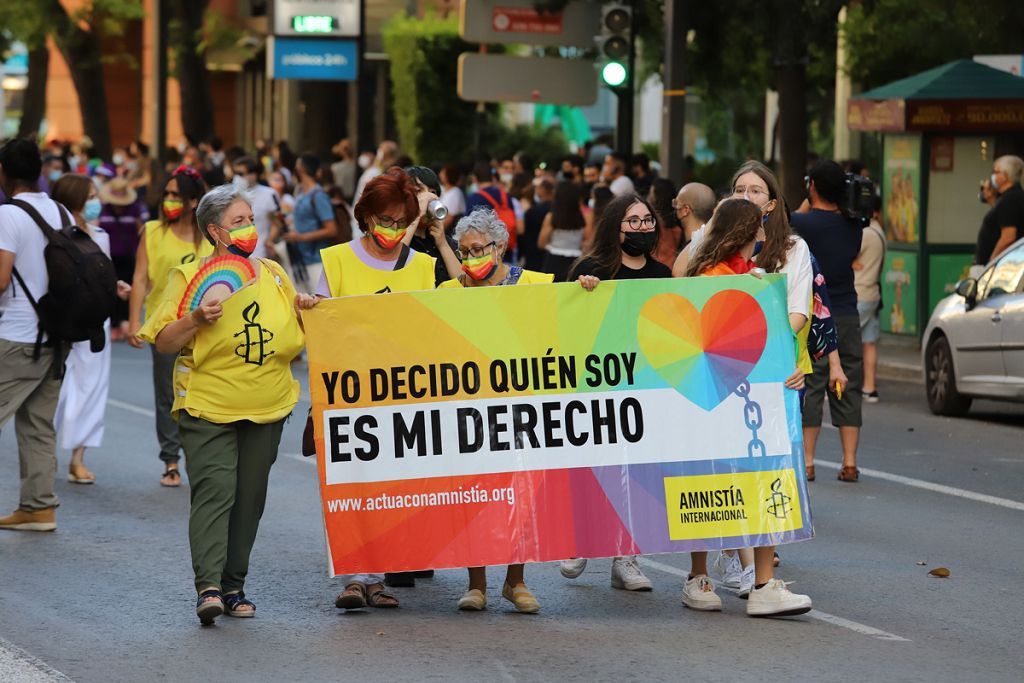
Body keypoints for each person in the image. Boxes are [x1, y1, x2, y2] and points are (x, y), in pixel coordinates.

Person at [137, 184, 315, 624]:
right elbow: (162, 341)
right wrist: (195, 319)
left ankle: (235, 586)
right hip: (208, 405)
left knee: (250, 498)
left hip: (269, 403)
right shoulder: (188, 276)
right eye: (239, 221)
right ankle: (209, 588)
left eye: (250, 218)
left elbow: (297, 323)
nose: (249, 227)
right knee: (217, 492)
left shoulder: (273, 271)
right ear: (215, 231)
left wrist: (308, 308)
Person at [679, 197, 813, 617]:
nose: (762, 234)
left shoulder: (759, 280)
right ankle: (698, 576)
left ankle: (762, 583)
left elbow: (775, 341)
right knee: (705, 476)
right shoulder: (706, 279)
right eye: (756, 227)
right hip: (713, 399)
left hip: (757, 398)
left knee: (764, 474)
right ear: (742, 232)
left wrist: (793, 369)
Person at [316, 167, 436, 612]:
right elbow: (323, 325)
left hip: (403, 395)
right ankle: (355, 576)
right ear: (365, 216)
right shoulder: (337, 260)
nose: (392, 229)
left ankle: (379, 576)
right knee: (351, 485)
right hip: (348, 393)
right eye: (384, 220)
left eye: (401, 222)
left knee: (393, 487)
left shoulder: (423, 266)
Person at [435, 209, 553, 613]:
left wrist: (586, 287)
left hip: (519, 408)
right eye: (463, 251)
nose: (469, 258)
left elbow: (565, 317)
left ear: (500, 246)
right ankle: (477, 584)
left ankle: (515, 581)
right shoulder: (450, 292)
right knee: (473, 494)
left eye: (478, 249)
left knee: (520, 495)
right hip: (469, 410)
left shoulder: (533, 285)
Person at [559, 194, 673, 592]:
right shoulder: (592, 270)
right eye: (633, 221)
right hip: (596, 384)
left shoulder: (662, 275)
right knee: (597, 466)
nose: (642, 228)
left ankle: (626, 555)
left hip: (643, 385)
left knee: (637, 471)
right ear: (615, 227)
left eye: (647, 221)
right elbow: (562, 319)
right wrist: (582, 291)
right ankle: (584, 539)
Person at [0, 139, 70, 531]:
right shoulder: (59, 210)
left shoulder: (9, 214)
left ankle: (37, 507)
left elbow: (1, 277)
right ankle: (38, 507)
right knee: (38, 424)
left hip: (19, 335)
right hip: (58, 335)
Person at [128, 166, 213, 487]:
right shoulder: (152, 231)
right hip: (164, 327)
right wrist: (135, 320)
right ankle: (171, 461)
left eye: (176, 195)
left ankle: (199, 458)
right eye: (166, 194)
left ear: (193, 201)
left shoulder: (209, 236)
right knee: (167, 395)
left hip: (205, 327)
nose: (169, 200)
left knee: (199, 393)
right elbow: (139, 278)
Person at [50, 174, 131, 485]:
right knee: (55, 388)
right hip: (61, 321)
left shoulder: (101, 236)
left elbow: (103, 276)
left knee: (92, 387)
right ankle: (46, 449)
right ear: (75, 200)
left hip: (95, 321)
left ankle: (78, 456)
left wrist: (115, 287)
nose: (97, 202)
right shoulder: (55, 237)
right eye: (92, 196)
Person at [792, 160, 864, 483]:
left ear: (813, 187)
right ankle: (849, 462)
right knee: (849, 384)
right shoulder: (854, 226)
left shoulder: (804, 225)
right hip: (847, 312)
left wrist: (809, 198)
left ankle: (808, 461)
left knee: (812, 384)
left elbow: (788, 223)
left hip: (815, 312)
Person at [98, 177, 148, 339]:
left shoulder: (135, 209)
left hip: (129, 256)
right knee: (111, 289)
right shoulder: (104, 210)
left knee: (128, 289)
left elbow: (142, 231)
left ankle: (126, 321)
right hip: (109, 257)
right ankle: (114, 323)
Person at [282, 153, 338, 291]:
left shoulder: (318, 196)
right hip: (299, 261)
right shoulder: (301, 193)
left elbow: (331, 229)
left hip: (315, 261)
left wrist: (300, 237)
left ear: (302, 168)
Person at [402, 165, 461, 287]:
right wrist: (416, 216)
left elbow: (463, 285)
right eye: (418, 191)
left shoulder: (446, 242)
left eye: (432, 192)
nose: (427, 197)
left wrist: (442, 244)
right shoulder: (396, 238)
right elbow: (391, 264)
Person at [855, 195, 885, 404]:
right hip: (873, 293)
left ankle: (837, 385)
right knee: (869, 342)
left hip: (859, 294)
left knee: (841, 342)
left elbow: (846, 256)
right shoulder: (880, 233)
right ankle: (870, 388)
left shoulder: (865, 234)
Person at [466, 162, 524, 260]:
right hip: (507, 248)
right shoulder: (506, 196)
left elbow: (468, 228)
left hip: (485, 253)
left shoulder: (474, 198)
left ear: (475, 179)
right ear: (492, 177)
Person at [539, 181, 587, 282]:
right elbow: (587, 242)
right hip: (576, 262)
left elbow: (541, 243)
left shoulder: (551, 217)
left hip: (554, 261)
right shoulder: (584, 217)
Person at [231, 156, 278, 259]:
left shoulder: (269, 194)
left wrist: (269, 240)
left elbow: (276, 223)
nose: (237, 177)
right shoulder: (229, 195)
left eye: (241, 174)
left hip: (260, 254)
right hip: (234, 255)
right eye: (235, 173)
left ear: (253, 175)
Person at [986, 155, 1024, 262]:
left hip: (1000, 267)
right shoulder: (1011, 197)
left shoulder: (1010, 199)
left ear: (1006, 175)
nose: (993, 176)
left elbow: (1008, 236)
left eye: (996, 172)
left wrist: (992, 262)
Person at [522, 178, 554, 271]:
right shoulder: (558, 211)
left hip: (533, 255)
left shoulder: (532, 211)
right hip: (549, 256)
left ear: (543, 190)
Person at [648, 177, 680, 268]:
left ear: (656, 195)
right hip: (672, 267)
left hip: (656, 269)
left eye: (651, 192)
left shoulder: (652, 221)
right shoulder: (677, 221)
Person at [974, 178, 1002, 268]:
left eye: (985, 188)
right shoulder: (994, 210)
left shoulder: (1002, 208)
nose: (982, 192)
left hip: (994, 265)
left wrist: (991, 262)